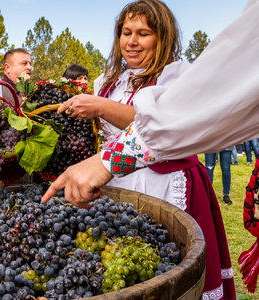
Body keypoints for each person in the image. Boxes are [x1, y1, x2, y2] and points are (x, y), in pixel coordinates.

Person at [45, 1, 236, 298]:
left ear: (162, 38)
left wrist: (101, 106)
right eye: (126, 32)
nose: (131, 41)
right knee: (130, 267)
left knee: (168, 262)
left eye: (143, 33)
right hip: (118, 183)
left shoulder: (177, 77)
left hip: (164, 183)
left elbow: (164, 127)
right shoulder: (107, 81)